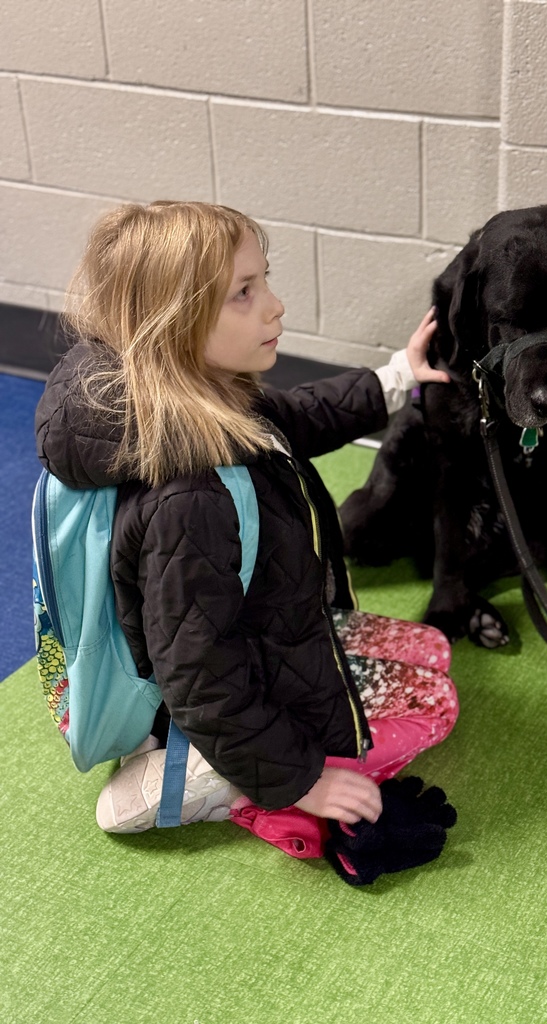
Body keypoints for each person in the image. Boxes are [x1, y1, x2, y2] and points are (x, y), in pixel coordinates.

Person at [35, 200, 459, 881]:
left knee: (428, 648)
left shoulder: (199, 395)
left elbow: (295, 416)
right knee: (435, 708)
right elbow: (199, 673)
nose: (275, 307)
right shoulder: (192, 501)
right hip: (212, 694)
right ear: (174, 323)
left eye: (262, 282)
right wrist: (300, 781)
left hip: (260, 633)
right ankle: (201, 778)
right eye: (244, 293)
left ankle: (219, 756)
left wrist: (397, 376)